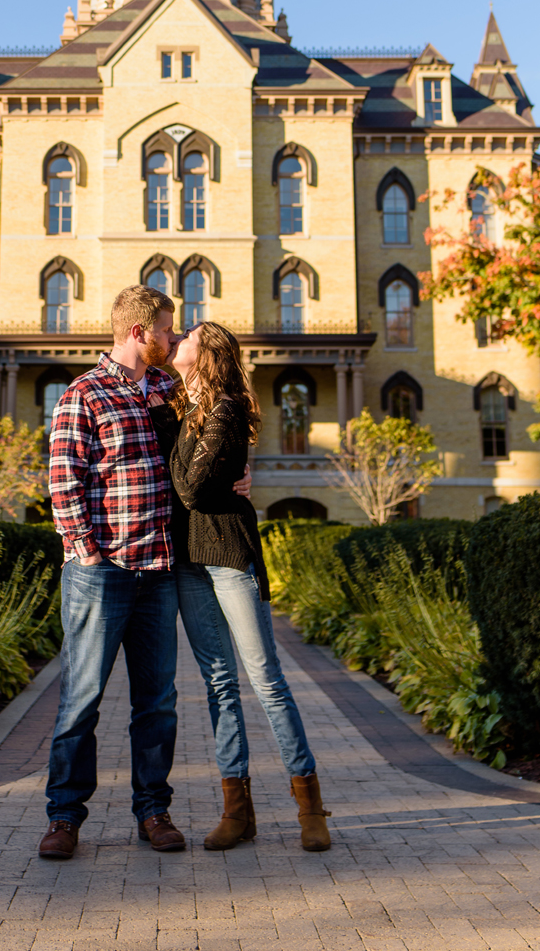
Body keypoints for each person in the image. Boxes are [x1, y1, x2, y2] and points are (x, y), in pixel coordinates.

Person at [167, 321, 331, 852]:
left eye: (185, 336)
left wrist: (202, 457)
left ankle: (310, 806)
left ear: (206, 352)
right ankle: (237, 811)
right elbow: (190, 479)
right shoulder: (179, 407)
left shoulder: (226, 408)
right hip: (188, 560)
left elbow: (190, 488)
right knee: (219, 685)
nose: (176, 342)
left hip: (230, 555)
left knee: (266, 681)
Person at [39, 284, 188, 860]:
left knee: (158, 703)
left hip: (160, 573)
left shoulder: (168, 393)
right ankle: (64, 816)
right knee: (82, 699)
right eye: (167, 332)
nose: (172, 341)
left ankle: (154, 809)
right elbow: (63, 479)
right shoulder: (84, 394)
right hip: (102, 573)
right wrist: (86, 550)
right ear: (138, 332)